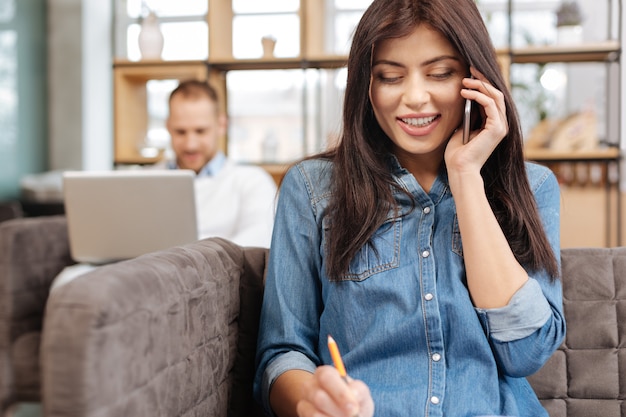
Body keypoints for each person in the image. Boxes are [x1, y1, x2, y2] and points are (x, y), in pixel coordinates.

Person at [253, 0, 565, 416]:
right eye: (389, 76)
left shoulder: (532, 186)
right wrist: (312, 399)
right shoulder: (311, 188)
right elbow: (283, 352)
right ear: (366, 85)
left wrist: (467, 177)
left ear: (476, 80)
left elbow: (525, 353)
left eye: (440, 73)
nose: (415, 97)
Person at [155, 79, 277, 248]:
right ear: (168, 127)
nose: (191, 144)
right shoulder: (143, 181)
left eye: (200, 131)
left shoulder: (252, 182)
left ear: (221, 125)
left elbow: (258, 241)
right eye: (180, 132)